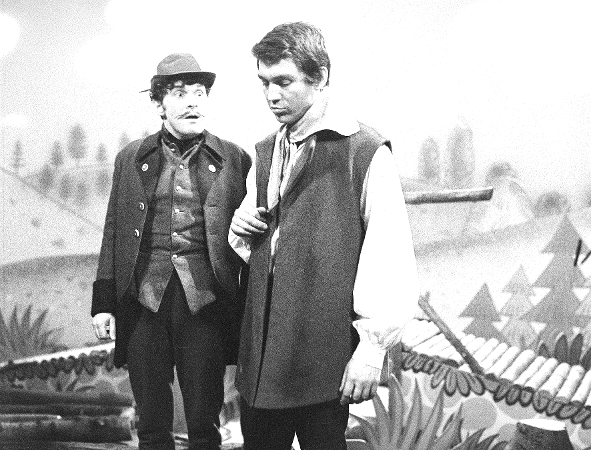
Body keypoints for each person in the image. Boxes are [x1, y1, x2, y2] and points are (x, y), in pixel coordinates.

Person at [229, 22, 419, 450]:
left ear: (320, 77)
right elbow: (253, 243)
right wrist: (240, 228)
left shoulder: (364, 152)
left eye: (284, 82)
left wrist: (372, 349)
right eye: (264, 82)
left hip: (322, 358)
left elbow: (388, 255)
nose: (271, 95)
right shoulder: (266, 150)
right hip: (261, 362)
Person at [91, 53, 251, 450]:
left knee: (204, 425)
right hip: (145, 302)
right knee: (151, 426)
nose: (193, 102)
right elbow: (114, 230)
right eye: (180, 94)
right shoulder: (131, 158)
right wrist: (104, 303)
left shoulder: (235, 159)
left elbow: (252, 241)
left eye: (199, 93)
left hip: (205, 304)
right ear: (159, 103)